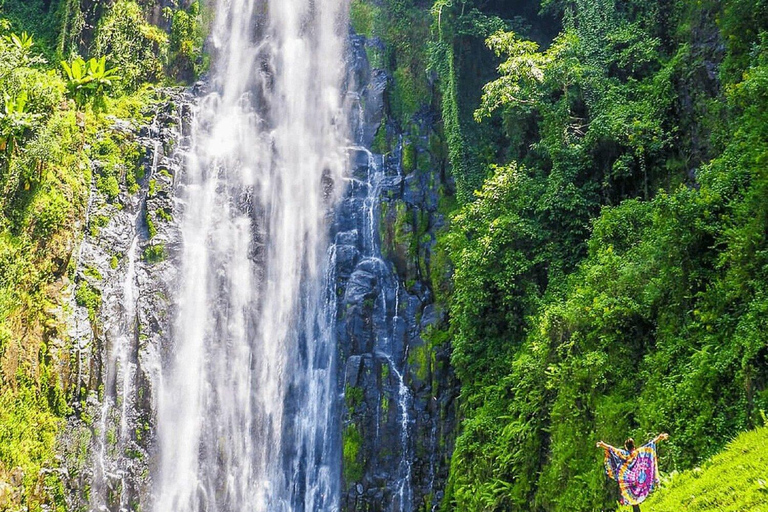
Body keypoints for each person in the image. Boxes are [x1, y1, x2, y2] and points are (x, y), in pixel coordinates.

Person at [596, 433, 669, 511]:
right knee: (637, 496)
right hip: (638, 478)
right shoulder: (638, 452)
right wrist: (659, 437)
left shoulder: (624, 454)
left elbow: (612, 449)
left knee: (633, 501)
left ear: (626, 447)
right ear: (633, 445)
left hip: (628, 481)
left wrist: (602, 444)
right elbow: (651, 444)